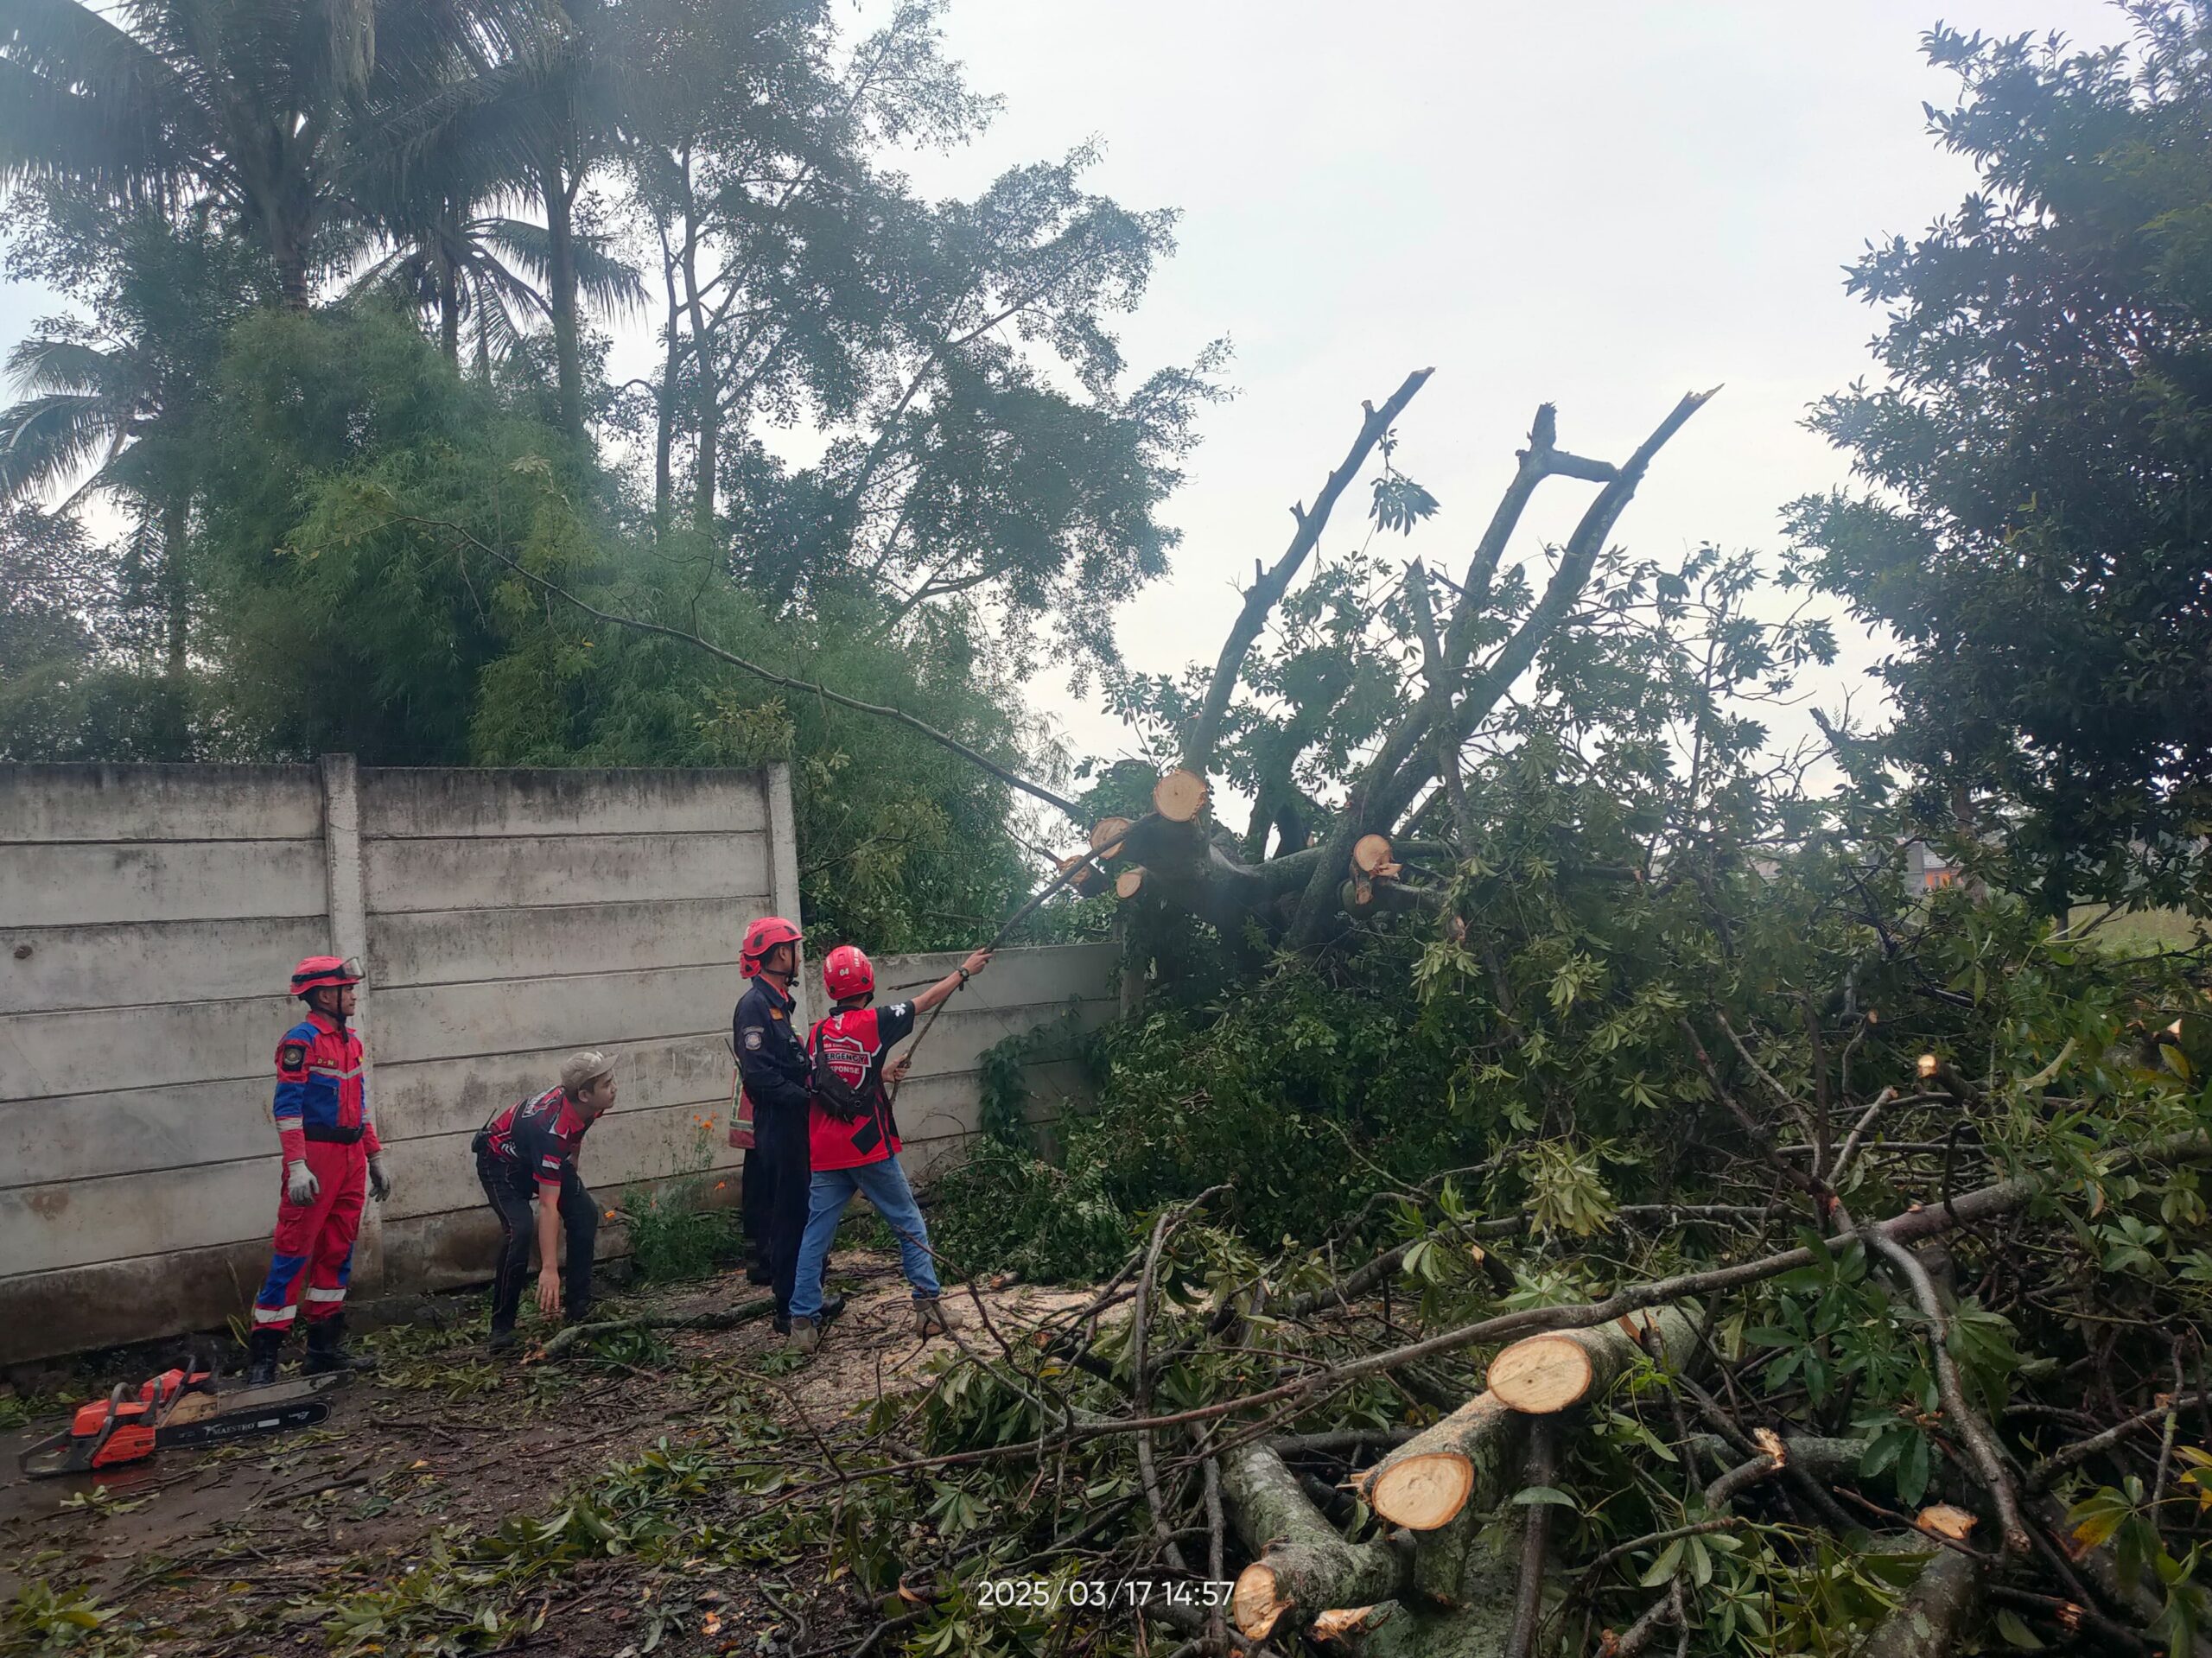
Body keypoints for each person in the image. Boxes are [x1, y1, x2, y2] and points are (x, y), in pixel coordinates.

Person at [785, 944, 992, 1351]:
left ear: (830, 988)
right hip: (867, 1147)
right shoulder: (876, 1021)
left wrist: (880, 1073)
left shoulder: (817, 1033)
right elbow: (925, 1001)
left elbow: (829, 1080)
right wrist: (964, 972)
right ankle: (928, 1309)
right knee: (909, 1222)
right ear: (868, 981)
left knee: (816, 1235)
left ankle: (802, 1324)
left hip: (825, 1151)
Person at [245, 956, 391, 1384]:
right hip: (316, 1159)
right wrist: (297, 1166)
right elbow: (287, 1109)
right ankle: (263, 1362)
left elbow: (359, 1107)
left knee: (338, 1250)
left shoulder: (350, 1042)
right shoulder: (301, 1042)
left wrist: (374, 1157)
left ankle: (323, 1352)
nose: (354, 996)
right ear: (326, 995)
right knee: (293, 1254)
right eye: (348, 990)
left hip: (350, 1159)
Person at [734, 915, 843, 1335]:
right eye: (795, 948)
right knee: (789, 1214)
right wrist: (807, 1098)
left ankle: (806, 1297)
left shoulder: (778, 1003)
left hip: (795, 1124)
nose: (798, 955)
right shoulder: (755, 1006)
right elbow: (760, 1075)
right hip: (780, 1126)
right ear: (782, 953)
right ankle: (788, 1306)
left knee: (803, 1210)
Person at [473, 1051, 620, 1352]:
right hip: (501, 1165)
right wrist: (549, 1269)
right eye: (606, 1084)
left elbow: (578, 1129)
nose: (614, 1088)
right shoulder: (549, 1130)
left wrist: (572, 1163)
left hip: (538, 1156)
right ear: (584, 1094)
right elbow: (548, 1206)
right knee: (520, 1231)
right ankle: (501, 1329)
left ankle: (579, 1307)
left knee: (584, 1213)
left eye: (611, 1080)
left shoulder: (593, 1105)